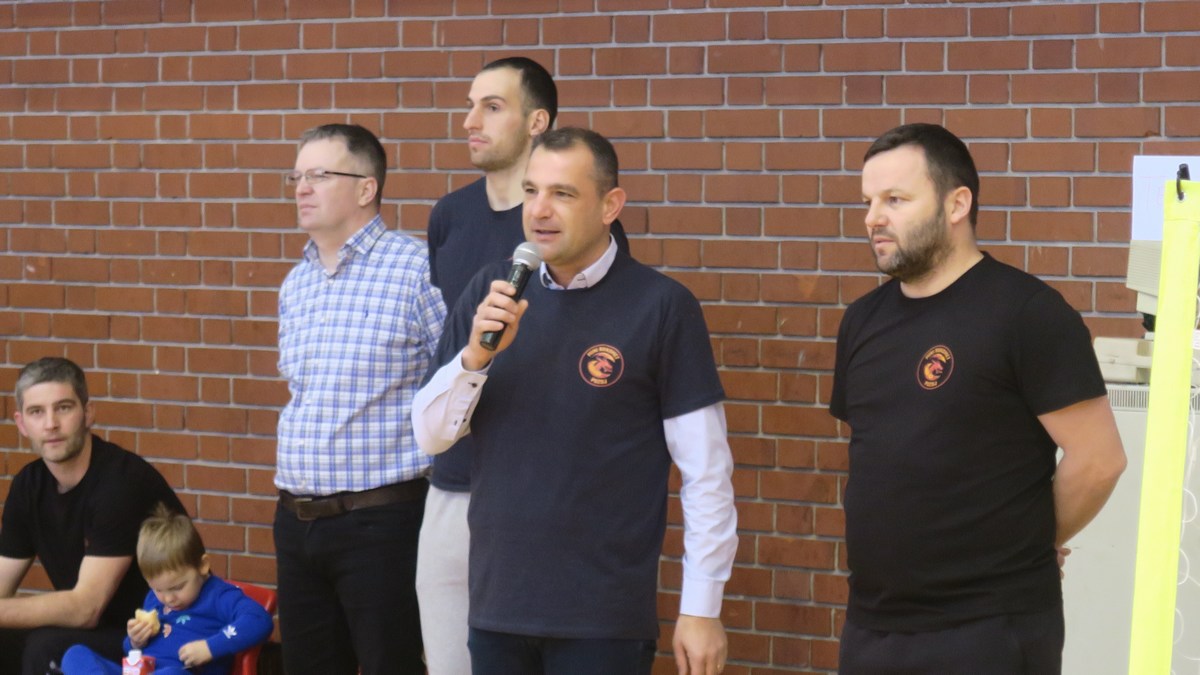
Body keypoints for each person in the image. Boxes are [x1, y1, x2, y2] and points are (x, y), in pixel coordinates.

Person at [413, 127, 737, 675]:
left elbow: (706, 472)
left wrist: (701, 608)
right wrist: (476, 358)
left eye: (562, 193)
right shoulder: (492, 294)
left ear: (610, 205)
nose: (539, 210)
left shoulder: (661, 307)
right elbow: (432, 436)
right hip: (496, 608)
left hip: (601, 619)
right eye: (531, 191)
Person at [830, 122, 1127, 674]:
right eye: (867, 201)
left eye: (895, 199)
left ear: (957, 203)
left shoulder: (1027, 313)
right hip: (872, 626)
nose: (873, 217)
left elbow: (1099, 459)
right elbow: (888, 460)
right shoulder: (862, 321)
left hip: (987, 629)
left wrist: (1030, 543)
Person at [419, 55, 630, 675]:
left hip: (538, 495)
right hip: (453, 477)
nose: (470, 121)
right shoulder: (449, 217)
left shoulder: (579, 228)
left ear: (538, 122)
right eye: (469, 105)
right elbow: (447, 348)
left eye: (491, 107)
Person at [273, 123, 445, 675]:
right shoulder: (296, 283)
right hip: (296, 521)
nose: (302, 188)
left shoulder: (418, 270)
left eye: (319, 175)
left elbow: (460, 385)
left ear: (367, 188)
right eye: (296, 176)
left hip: (381, 523)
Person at [0, 357, 184, 675]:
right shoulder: (28, 486)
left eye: (63, 408)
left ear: (88, 413)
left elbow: (86, 609)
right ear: (21, 423)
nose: (50, 424)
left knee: (46, 647)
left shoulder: (120, 483)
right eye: (36, 412)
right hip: (100, 633)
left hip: (162, 637)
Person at [60, 504, 273, 675]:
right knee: (75, 655)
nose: (168, 598)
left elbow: (259, 619)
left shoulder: (220, 596)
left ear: (202, 566)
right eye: (158, 589)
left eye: (177, 587)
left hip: (183, 672)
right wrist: (135, 641)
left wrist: (210, 647)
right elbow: (131, 651)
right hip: (142, 669)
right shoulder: (154, 599)